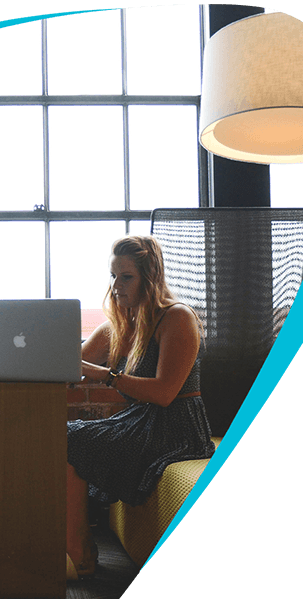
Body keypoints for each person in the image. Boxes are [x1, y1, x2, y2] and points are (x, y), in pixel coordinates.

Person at [66, 235, 216, 578]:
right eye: (113, 276)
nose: (116, 285)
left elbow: (165, 393)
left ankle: (79, 551)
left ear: (150, 278)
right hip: (139, 420)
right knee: (64, 435)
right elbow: (72, 364)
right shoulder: (120, 324)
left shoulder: (176, 318)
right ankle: (77, 544)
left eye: (126, 277)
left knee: (71, 439)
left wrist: (107, 376)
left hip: (177, 426)